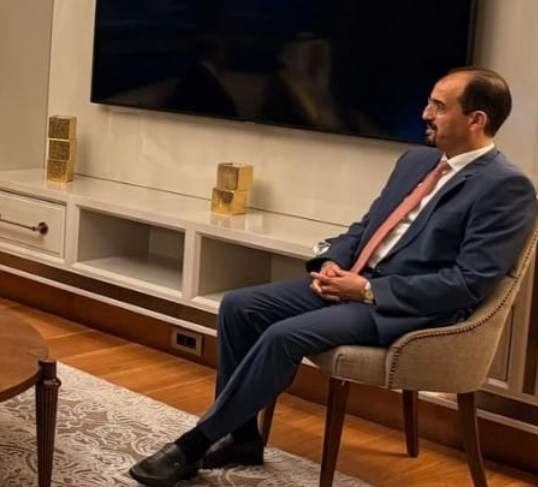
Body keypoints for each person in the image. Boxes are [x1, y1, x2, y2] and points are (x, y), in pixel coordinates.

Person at [130, 67, 538, 487]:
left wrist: (367, 290)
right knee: (239, 306)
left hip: (405, 308)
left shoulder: (505, 187)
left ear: (476, 120)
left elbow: (468, 283)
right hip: (353, 281)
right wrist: (331, 262)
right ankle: (243, 438)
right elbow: (367, 226)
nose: (425, 114)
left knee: (283, 336)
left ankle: (194, 444)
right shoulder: (417, 161)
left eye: (438, 106)